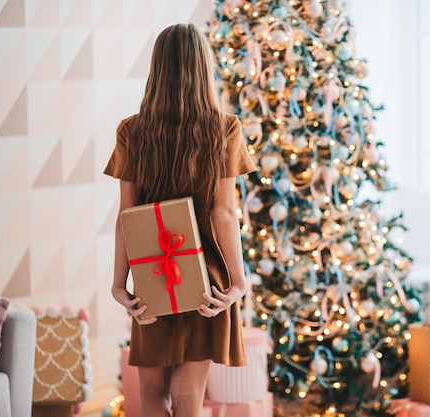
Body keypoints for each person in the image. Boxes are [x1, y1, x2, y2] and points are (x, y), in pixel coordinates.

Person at [103, 23, 256, 417]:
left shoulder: (132, 132)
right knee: (189, 396)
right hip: (206, 280)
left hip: (155, 273)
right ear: (203, 67)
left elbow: (126, 215)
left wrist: (120, 284)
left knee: (153, 394)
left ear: (157, 70)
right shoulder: (224, 129)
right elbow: (223, 212)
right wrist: (238, 281)